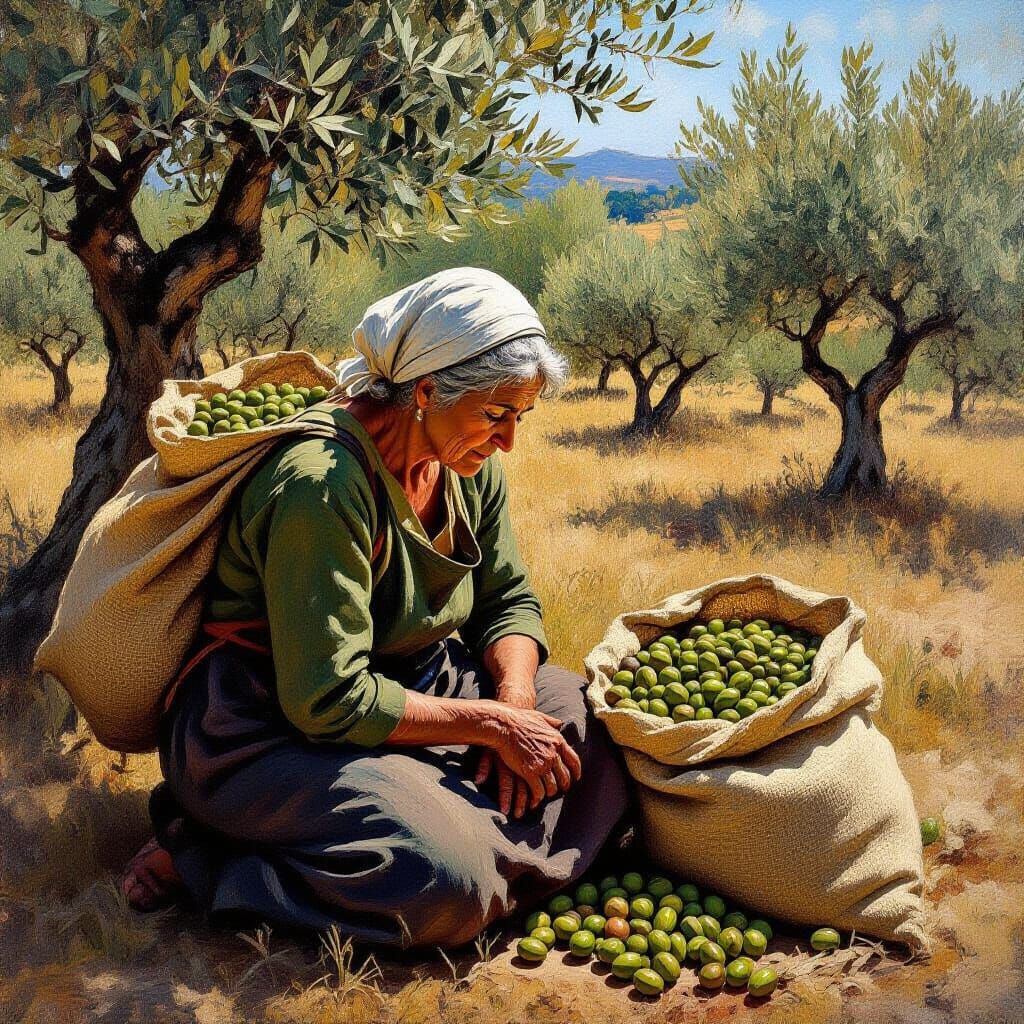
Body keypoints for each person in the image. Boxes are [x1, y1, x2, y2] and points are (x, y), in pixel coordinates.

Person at [120, 266, 631, 948]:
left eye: (520, 417)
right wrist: (488, 725)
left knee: (589, 728)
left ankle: (448, 834)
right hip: (266, 724)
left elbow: (506, 599)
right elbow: (327, 696)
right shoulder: (321, 485)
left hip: (417, 684)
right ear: (424, 391)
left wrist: (514, 702)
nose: (508, 440)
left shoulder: (465, 465)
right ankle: (212, 856)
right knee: (440, 879)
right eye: (495, 414)